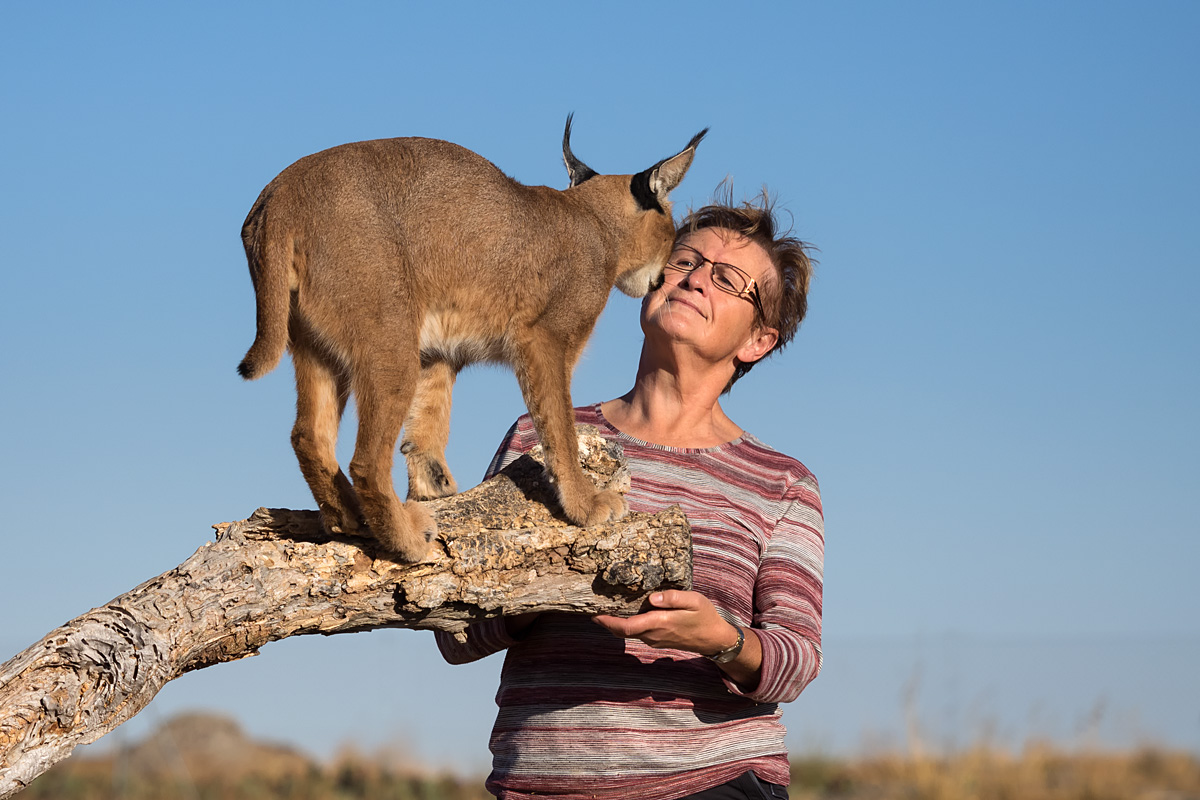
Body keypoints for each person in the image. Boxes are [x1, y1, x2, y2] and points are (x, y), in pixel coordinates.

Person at [436, 193, 823, 800]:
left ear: (758, 340)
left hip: (712, 784)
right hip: (539, 787)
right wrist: (542, 591)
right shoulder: (538, 436)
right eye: (684, 261)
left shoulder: (781, 482)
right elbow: (454, 632)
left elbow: (794, 660)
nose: (695, 279)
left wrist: (721, 638)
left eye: (727, 279)